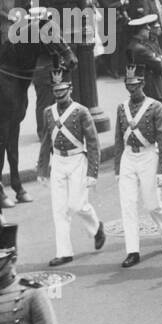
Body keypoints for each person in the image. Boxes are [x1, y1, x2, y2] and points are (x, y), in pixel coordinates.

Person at [36, 63, 105, 266]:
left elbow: (93, 143)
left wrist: (93, 172)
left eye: (62, 90)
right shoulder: (48, 113)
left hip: (77, 160)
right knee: (59, 209)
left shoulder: (81, 111)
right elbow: (45, 142)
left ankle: (96, 227)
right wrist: (42, 169)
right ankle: (64, 252)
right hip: (58, 161)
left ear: (70, 89)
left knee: (77, 205)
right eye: (56, 91)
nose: (59, 94)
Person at [112, 64, 162, 269]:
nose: (132, 89)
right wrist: (117, 169)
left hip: (148, 155)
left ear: (143, 83)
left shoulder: (155, 106)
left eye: (135, 85)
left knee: (151, 203)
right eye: (128, 85)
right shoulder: (122, 108)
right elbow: (119, 140)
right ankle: (132, 251)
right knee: (127, 205)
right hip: (129, 157)